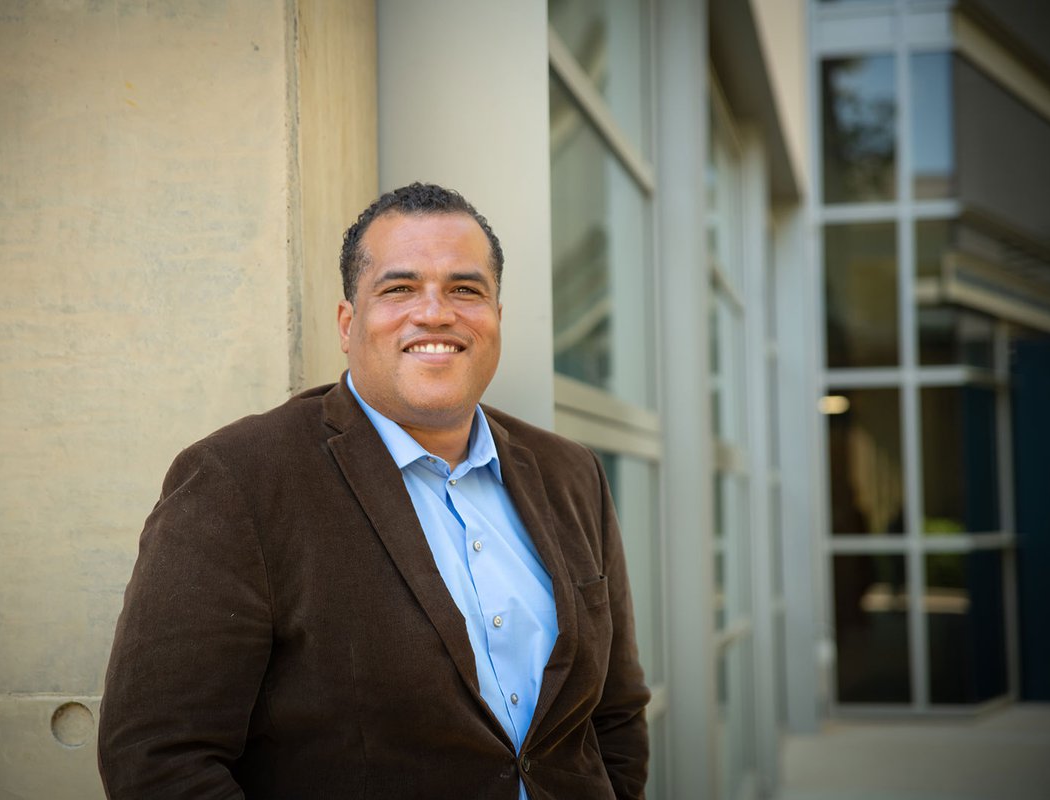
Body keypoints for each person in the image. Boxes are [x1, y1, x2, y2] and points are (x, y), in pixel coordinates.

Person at [98, 182, 650, 799]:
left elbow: (616, 713)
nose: (435, 313)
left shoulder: (570, 473)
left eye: (465, 290)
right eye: (399, 288)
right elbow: (158, 758)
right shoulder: (238, 480)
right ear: (347, 322)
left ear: (497, 316)